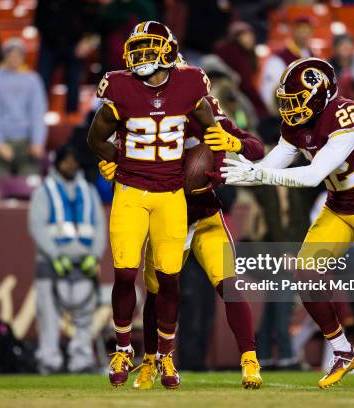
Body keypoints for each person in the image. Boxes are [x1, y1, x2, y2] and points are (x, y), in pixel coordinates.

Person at [221, 57, 354, 389]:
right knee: (305, 274)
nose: (291, 109)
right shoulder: (294, 126)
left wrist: (258, 173)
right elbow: (269, 166)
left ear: (320, 94)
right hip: (338, 205)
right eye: (287, 101)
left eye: (297, 101)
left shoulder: (345, 114)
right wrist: (229, 173)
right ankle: (342, 351)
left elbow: (312, 176)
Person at [99, 94, 265, 389]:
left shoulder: (205, 111)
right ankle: (151, 360)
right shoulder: (144, 115)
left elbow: (255, 147)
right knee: (156, 292)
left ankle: (250, 360)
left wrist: (234, 143)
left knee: (229, 286)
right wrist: (112, 164)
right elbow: (115, 149)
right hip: (166, 218)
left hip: (205, 217)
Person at [87, 21, 217, 389]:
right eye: (137, 47)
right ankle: (123, 348)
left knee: (168, 279)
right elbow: (95, 135)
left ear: (169, 51)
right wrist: (115, 157)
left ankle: (165, 356)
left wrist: (211, 153)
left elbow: (209, 127)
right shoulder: (120, 86)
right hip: (130, 190)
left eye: (150, 46)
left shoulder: (190, 84)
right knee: (126, 273)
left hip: (171, 194)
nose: (141, 54)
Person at [28, 144, 106, 374]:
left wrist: (94, 256)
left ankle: (81, 360)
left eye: (74, 161)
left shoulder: (88, 190)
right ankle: (49, 361)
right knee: (49, 316)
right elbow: (37, 226)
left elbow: (99, 226)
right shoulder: (45, 191)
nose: (70, 165)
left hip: (83, 262)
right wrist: (54, 255)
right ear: (57, 163)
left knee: (84, 316)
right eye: (66, 161)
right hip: (51, 264)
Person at [0, 37, 47, 177]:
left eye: (18, 54)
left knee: (31, 184)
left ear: (23, 57)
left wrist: (37, 141)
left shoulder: (33, 80)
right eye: (11, 54)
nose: (14, 58)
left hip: (26, 142)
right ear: (5, 56)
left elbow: (37, 112)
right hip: (2, 140)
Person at [259, 16, 314, 115]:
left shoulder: (312, 56)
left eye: (307, 30)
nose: (304, 34)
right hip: (289, 112)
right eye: (300, 30)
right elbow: (270, 92)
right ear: (293, 31)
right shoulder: (279, 58)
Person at [215, 21, 269, 120]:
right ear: (235, 38)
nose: (247, 39)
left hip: (231, 99)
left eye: (249, 35)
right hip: (232, 100)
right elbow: (246, 85)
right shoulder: (235, 54)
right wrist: (262, 110)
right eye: (242, 36)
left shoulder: (245, 55)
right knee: (242, 124)